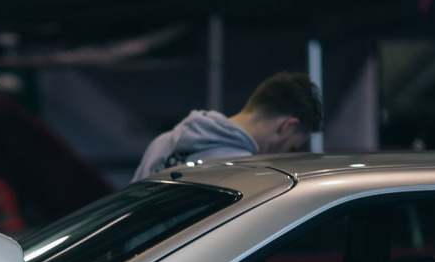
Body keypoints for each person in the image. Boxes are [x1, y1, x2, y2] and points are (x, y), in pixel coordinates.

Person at [132, 72, 324, 182]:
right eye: (291, 147)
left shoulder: (163, 141)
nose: (286, 155)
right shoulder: (242, 173)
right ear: (287, 127)